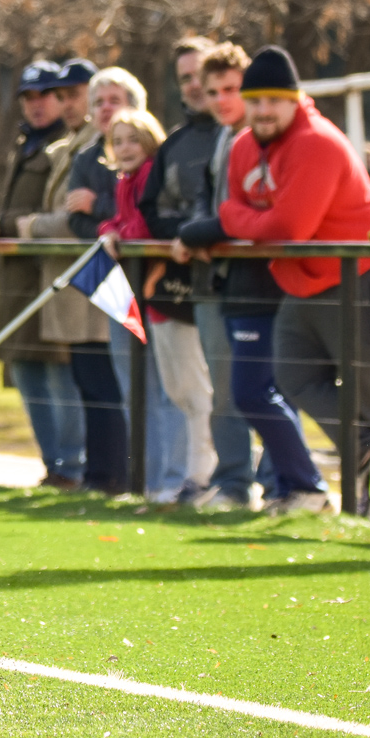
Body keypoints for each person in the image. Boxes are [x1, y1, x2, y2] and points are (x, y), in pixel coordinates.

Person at [181, 46, 370, 517]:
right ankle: (366, 449)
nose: (263, 110)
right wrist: (246, 216)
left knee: (366, 383)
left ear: (295, 100)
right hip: (303, 282)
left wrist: (235, 216)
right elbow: (251, 215)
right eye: (256, 100)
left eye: (274, 101)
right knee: (290, 377)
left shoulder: (317, 142)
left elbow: (287, 228)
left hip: (361, 274)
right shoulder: (244, 146)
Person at [16, 59, 127, 493]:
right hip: (80, 282)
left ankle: (111, 475)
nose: (70, 104)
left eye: (75, 94)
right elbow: (74, 216)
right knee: (91, 383)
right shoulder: (80, 149)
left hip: (106, 284)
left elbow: (83, 217)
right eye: (91, 99)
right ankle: (100, 476)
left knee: (109, 387)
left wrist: (28, 225)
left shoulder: (104, 148)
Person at [72, 105, 192, 501]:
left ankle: (170, 479)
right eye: (117, 141)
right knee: (135, 391)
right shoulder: (124, 181)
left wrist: (117, 230)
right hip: (129, 293)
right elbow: (122, 222)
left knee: (165, 392)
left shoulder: (150, 178)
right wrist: (109, 229)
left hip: (161, 295)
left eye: (132, 139)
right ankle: (146, 479)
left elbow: (144, 226)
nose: (125, 148)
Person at [0, 61, 84, 488]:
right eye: (28, 97)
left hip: (49, 277)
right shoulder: (25, 143)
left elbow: (52, 214)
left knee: (58, 373)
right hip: (19, 279)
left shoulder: (65, 145)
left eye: (45, 96)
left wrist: (2, 222)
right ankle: (54, 464)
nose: (36, 105)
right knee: (26, 370)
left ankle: (70, 467)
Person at [188, 42, 279, 508]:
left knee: (268, 388)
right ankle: (234, 484)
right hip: (218, 281)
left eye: (232, 89)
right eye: (213, 91)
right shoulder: (222, 139)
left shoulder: (265, 139)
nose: (223, 100)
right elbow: (211, 200)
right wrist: (200, 232)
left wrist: (199, 233)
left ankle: (280, 483)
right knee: (225, 390)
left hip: (263, 281)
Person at [136, 37, 221, 504]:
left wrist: (206, 233)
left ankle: (229, 477)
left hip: (232, 281)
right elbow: (153, 208)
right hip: (176, 282)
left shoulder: (240, 136)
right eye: (185, 78)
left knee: (232, 385)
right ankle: (198, 475)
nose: (194, 86)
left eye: (201, 76)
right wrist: (187, 232)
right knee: (184, 387)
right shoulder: (175, 144)